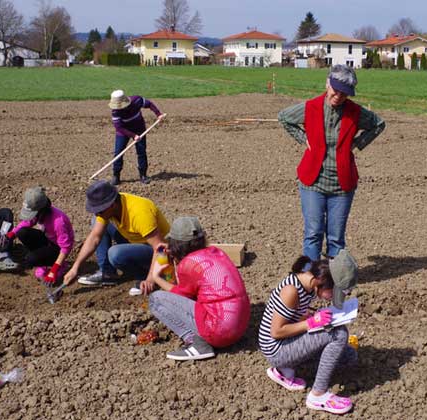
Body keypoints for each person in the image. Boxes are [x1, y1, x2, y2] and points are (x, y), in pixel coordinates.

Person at [278, 65, 386, 261]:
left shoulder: (355, 112)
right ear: (327, 84)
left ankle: (334, 283)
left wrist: (357, 143)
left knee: (336, 238)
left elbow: (379, 125)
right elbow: (284, 117)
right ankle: (310, 280)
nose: (339, 96)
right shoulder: (310, 107)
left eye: (345, 94)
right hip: (312, 182)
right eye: (336, 90)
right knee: (313, 233)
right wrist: (303, 138)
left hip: (342, 184)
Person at [258, 249, 358, 415]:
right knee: (339, 334)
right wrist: (310, 323)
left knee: (348, 356)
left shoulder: (309, 286)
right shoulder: (291, 291)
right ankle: (317, 395)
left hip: (288, 341)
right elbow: (276, 331)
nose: (332, 298)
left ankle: (284, 370)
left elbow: (294, 315)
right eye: (333, 292)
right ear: (321, 281)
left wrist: (309, 317)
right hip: (276, 349)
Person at [146, 216, 251, 361]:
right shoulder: (217, 252)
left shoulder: (189, 264)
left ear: (175, 243)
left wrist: (157, 277)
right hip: (239, 328)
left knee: (155, 300)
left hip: (219, 331)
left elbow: (181, 297)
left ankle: (197, 344)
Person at [62, 180, 170, 295]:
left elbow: (161, 248)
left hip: (160, 250)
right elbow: (94, 237)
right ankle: (107, 273)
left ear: (112, 204)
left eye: (100, 210)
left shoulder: (139, 213)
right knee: (97, 223)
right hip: (135, 240)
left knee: (115, 254)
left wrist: (150, 280)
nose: (97, 213)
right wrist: (75, 268)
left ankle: (146, 274)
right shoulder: (110, 210)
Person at [4, 187, 74, 285]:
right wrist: (12, 233)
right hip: (48, 239)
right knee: (22, 232)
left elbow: (66, 247)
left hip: (58, 248)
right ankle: (43, 263)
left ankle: (61, 266)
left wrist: (54, 270)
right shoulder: (39, 214)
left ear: (42, 210)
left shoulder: (58, 222)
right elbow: (27, 222)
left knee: (31, 258)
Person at [108, 89, 165, 186]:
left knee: (141, 151)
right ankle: (116, 176)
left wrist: (158, 114)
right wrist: (133, 136)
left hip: (139, 128)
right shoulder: (115, 112)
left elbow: (149, 104)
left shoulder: (136, 100)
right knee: (118, 153)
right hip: (124, 132)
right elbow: (119, 127)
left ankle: (143, 175)